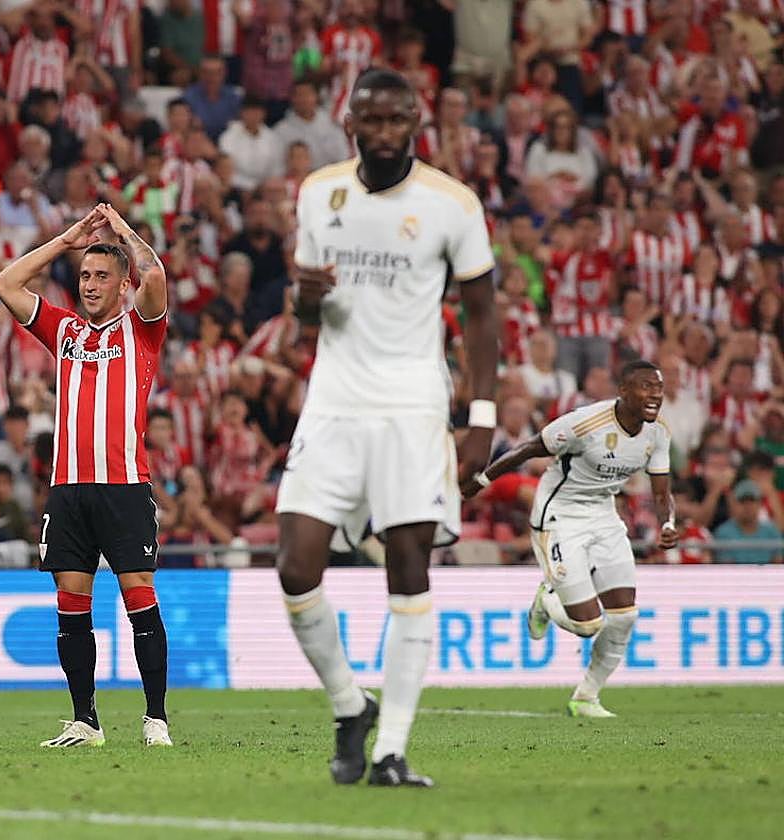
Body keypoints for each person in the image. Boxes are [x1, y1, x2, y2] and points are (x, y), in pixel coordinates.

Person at [275, 68, 498, 788]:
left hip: (412, 405)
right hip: (335, 399)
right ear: (349, 123)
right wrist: (304, 305)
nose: (383, 133)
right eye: (370, 120)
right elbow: (306, 320)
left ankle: (393, 750)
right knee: (295, 566)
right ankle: (350, 705)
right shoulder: (319, 194)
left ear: (416, 123)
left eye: (397, 120)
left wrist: (481, 418)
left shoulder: (451, 204)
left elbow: (483, 314)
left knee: (408, 570)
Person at [0, 203, 171, 749]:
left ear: (123, 287)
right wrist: (65, 241)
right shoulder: (63, 329)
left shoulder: (141, 329)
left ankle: (156, 718)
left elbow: (157, 275)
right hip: (68, 490)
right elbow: (6, 282)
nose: (90, 285)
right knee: (72, 604)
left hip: (124, 489)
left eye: (102, 277)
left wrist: (123, 233)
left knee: (139, 595)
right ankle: (85, 721)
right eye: (86, 276)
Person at [463, 361, 679, 716]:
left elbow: (661, 493)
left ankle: (586, 697)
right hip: (559, 516)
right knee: (588, 625)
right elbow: (529, 449)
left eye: (659, 388)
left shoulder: (658, 433)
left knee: (624, 616)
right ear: (623, 391)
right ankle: (546, 600)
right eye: (646, 387)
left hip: (605, 516)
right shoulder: (586, 423)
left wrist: (667, 523)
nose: (655, 394)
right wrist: (483, 480)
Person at [712, 481, 783, 564]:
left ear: (760, 504)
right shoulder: (723, 533)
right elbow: (727, 571)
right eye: (742, 501)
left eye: (752, 500)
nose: (747, 506)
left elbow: (777, 567)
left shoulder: (772, 531)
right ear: (734, 504)